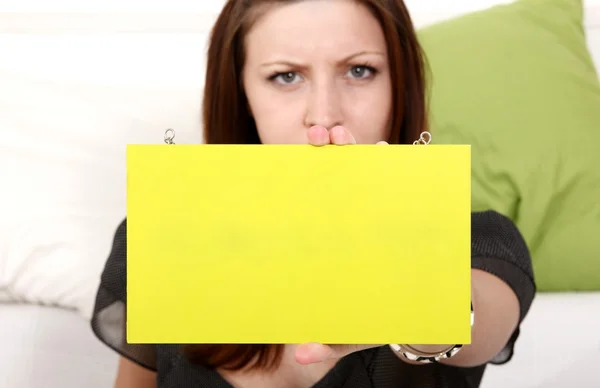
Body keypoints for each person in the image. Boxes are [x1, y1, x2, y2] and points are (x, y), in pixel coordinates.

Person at [91, 0, 536, 387]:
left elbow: (476, 325)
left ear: (399, 85)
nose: (323, 114)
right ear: (242, 94)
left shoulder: (478, 240)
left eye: (360, 71)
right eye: (286, 77)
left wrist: (420, 304)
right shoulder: (159, 235)